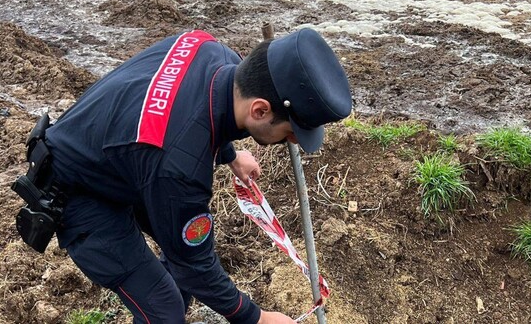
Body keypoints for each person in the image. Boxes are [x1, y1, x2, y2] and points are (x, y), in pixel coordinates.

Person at [41, 28, 352, 324]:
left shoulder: (210, 50)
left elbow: (195, 104)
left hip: (121, 156)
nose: (294, 141)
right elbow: (194, 265)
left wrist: (230, 155)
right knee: (164, 309)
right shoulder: (179, 167)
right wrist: (255, 317)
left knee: (184, 263)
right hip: (77, 191)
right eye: (291, 132)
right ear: (259, 111)